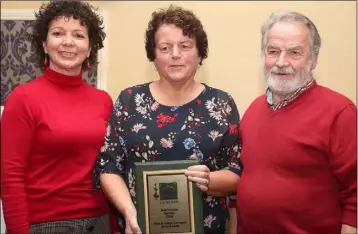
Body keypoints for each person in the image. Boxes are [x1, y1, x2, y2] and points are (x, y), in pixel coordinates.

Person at [93, 5, 242, 234]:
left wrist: (207, 180)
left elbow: (236, 172)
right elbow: (109, 167)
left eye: (185, 46)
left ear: (200, 53)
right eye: (165, 47)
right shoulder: (129, 101)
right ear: (153, 55)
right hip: (141, 228)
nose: (175, 54)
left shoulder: (221, 104)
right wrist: (129, 212)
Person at [0, 1, 118, 233]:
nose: (68, 42)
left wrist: (114, 227)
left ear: (90, 47)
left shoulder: (103, 100)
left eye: (78, 35)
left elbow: (109, 167)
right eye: (57, 33)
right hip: (46, 224)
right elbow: (10, 176)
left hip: (100, 221)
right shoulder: (23, 99)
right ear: (44, 44)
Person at [236, 11, 357, 234]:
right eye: (273, 51)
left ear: (313, 59)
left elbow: (355, 197)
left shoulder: (340, 112)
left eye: (294, 53)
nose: (281, 62)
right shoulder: (253, 110)